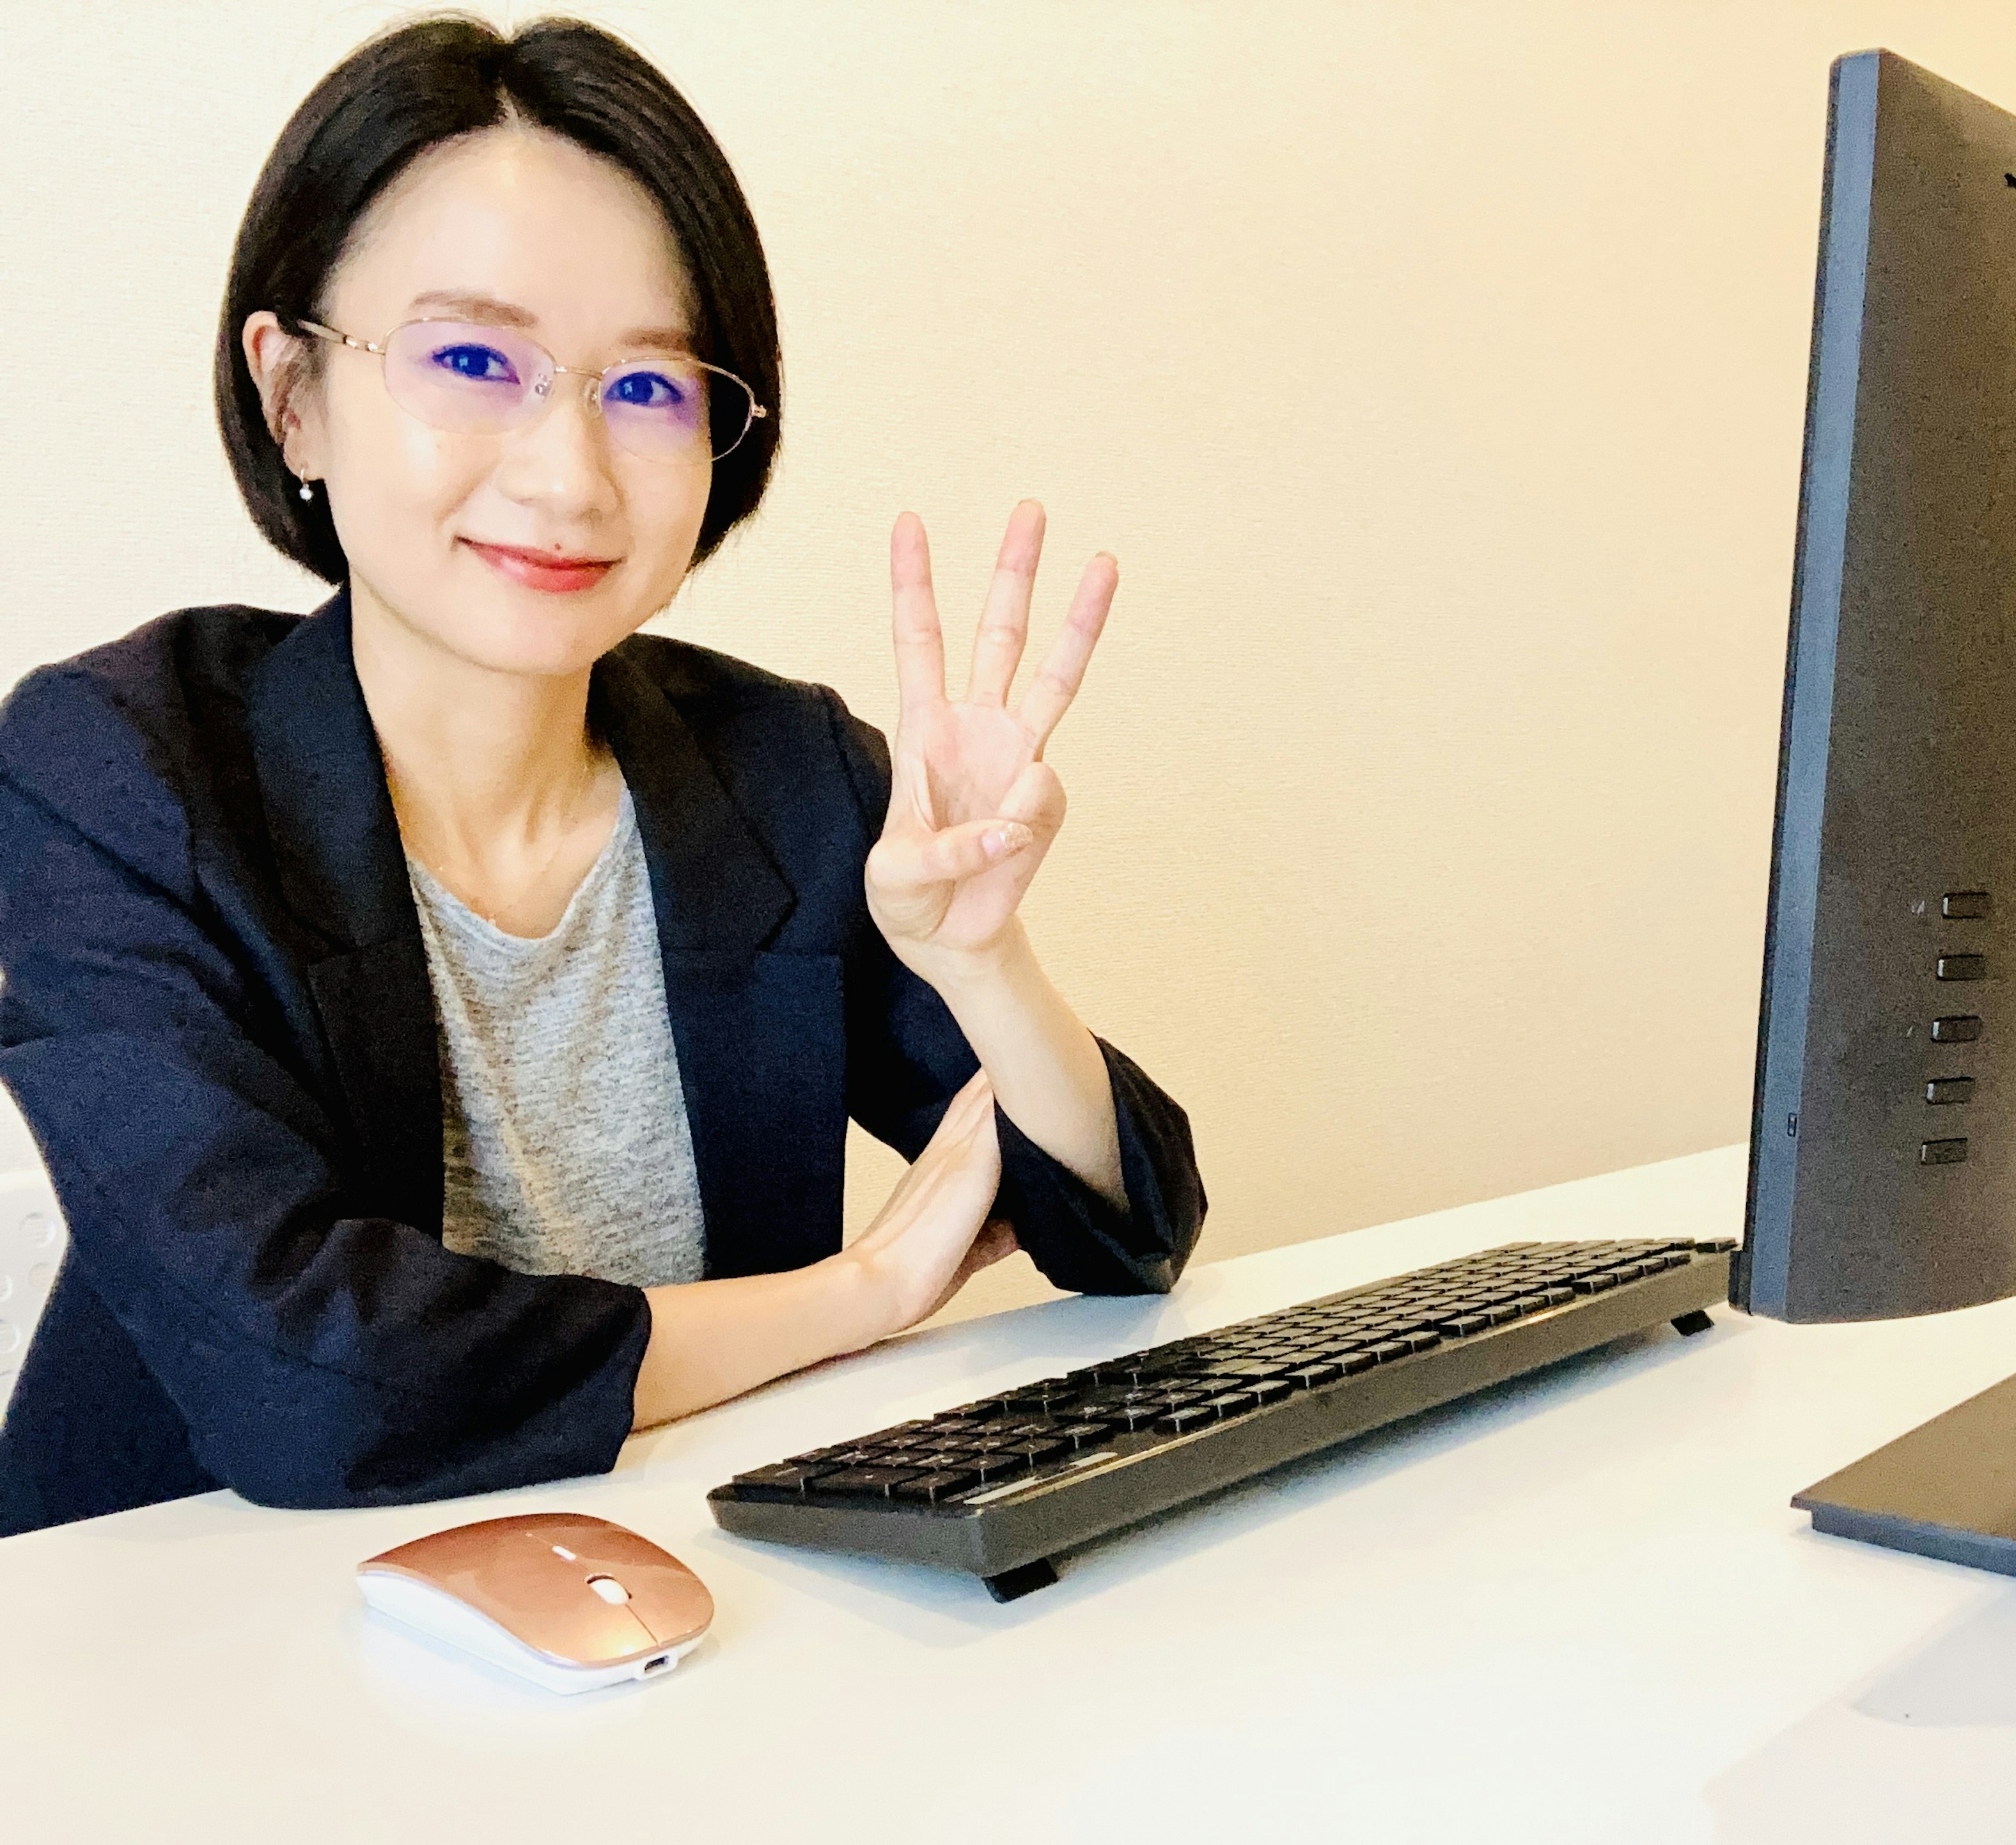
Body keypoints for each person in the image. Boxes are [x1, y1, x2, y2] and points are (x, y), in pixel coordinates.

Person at [0, 15, 1204, 1537]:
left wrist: (991, 968)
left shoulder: (784, 773)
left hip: (673, 1614)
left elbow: (1127, 1224)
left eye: (647, 388)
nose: (568, 475)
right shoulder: (115, 772)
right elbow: (312, 1382)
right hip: (184, 1645)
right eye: (471, 359)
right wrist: (854, 1296)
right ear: (292, 389)